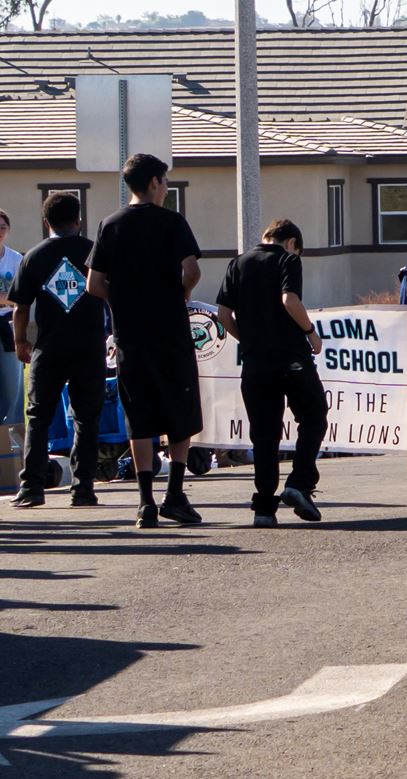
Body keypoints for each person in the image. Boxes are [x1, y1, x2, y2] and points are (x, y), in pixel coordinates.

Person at [87, 154, 204, 529]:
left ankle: (145, 503)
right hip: (169, 332)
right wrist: (180, 295)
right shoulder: (172, 222)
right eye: (166, 182)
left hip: (129, 337)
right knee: (180, 412)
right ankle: (175, 494)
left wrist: (120, 302)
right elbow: (192, 270)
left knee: (140, 417)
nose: (167, 188)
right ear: (153, 182)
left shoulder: (110, 224)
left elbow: (94, 283)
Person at [213, 219, 327, 526]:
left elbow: (223, 315)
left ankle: (264, 506)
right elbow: (289, 299)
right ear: (291, 242)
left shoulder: (238, 263)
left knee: (264, 433)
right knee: (314, 414)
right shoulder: (288, 260)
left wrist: (248, 340)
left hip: (255, 362)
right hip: (291, 356)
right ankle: (299, 483)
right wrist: (311, 332)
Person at [12, 192, 106, 509]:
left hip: (49, 348)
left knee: (38, 417)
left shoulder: (34, 256)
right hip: (90, 347)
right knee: (86, 419)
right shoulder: (95, 252)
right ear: (79, 220)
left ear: (46, 222)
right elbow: (112, 297)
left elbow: (20, 308)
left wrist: (20, 340)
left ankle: (32, 488)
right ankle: (83, 489)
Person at [0, 210, 20, 478]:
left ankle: (13, 447)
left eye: (3, 226)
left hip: (8, 326)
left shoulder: (16, 259)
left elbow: (19, 297)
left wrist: (5, 298)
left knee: (13, 388)